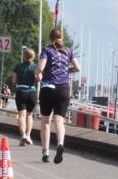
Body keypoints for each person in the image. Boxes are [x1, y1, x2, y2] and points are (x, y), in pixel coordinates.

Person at [35, 28, 80, 164]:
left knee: (46, 122)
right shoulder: (68, 51)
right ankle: (60, 143)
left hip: (48, 88)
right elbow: (78, 68)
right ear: (62, 37)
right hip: (63, 88)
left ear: (50, 38)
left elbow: (40, 68)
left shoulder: (46, 50)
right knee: (59, 120)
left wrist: (38, 75)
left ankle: (46, 152)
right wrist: (67, 71)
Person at [12, 47, 38, 146]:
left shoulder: (18, 66)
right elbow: (39, 78)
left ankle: (22, 135)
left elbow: (14, 81)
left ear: (24, 56)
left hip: (21, 91)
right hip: (32, 92)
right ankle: (28, 135)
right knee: (29, 115)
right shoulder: (35, 67)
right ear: (33, 57)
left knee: (21, 115)